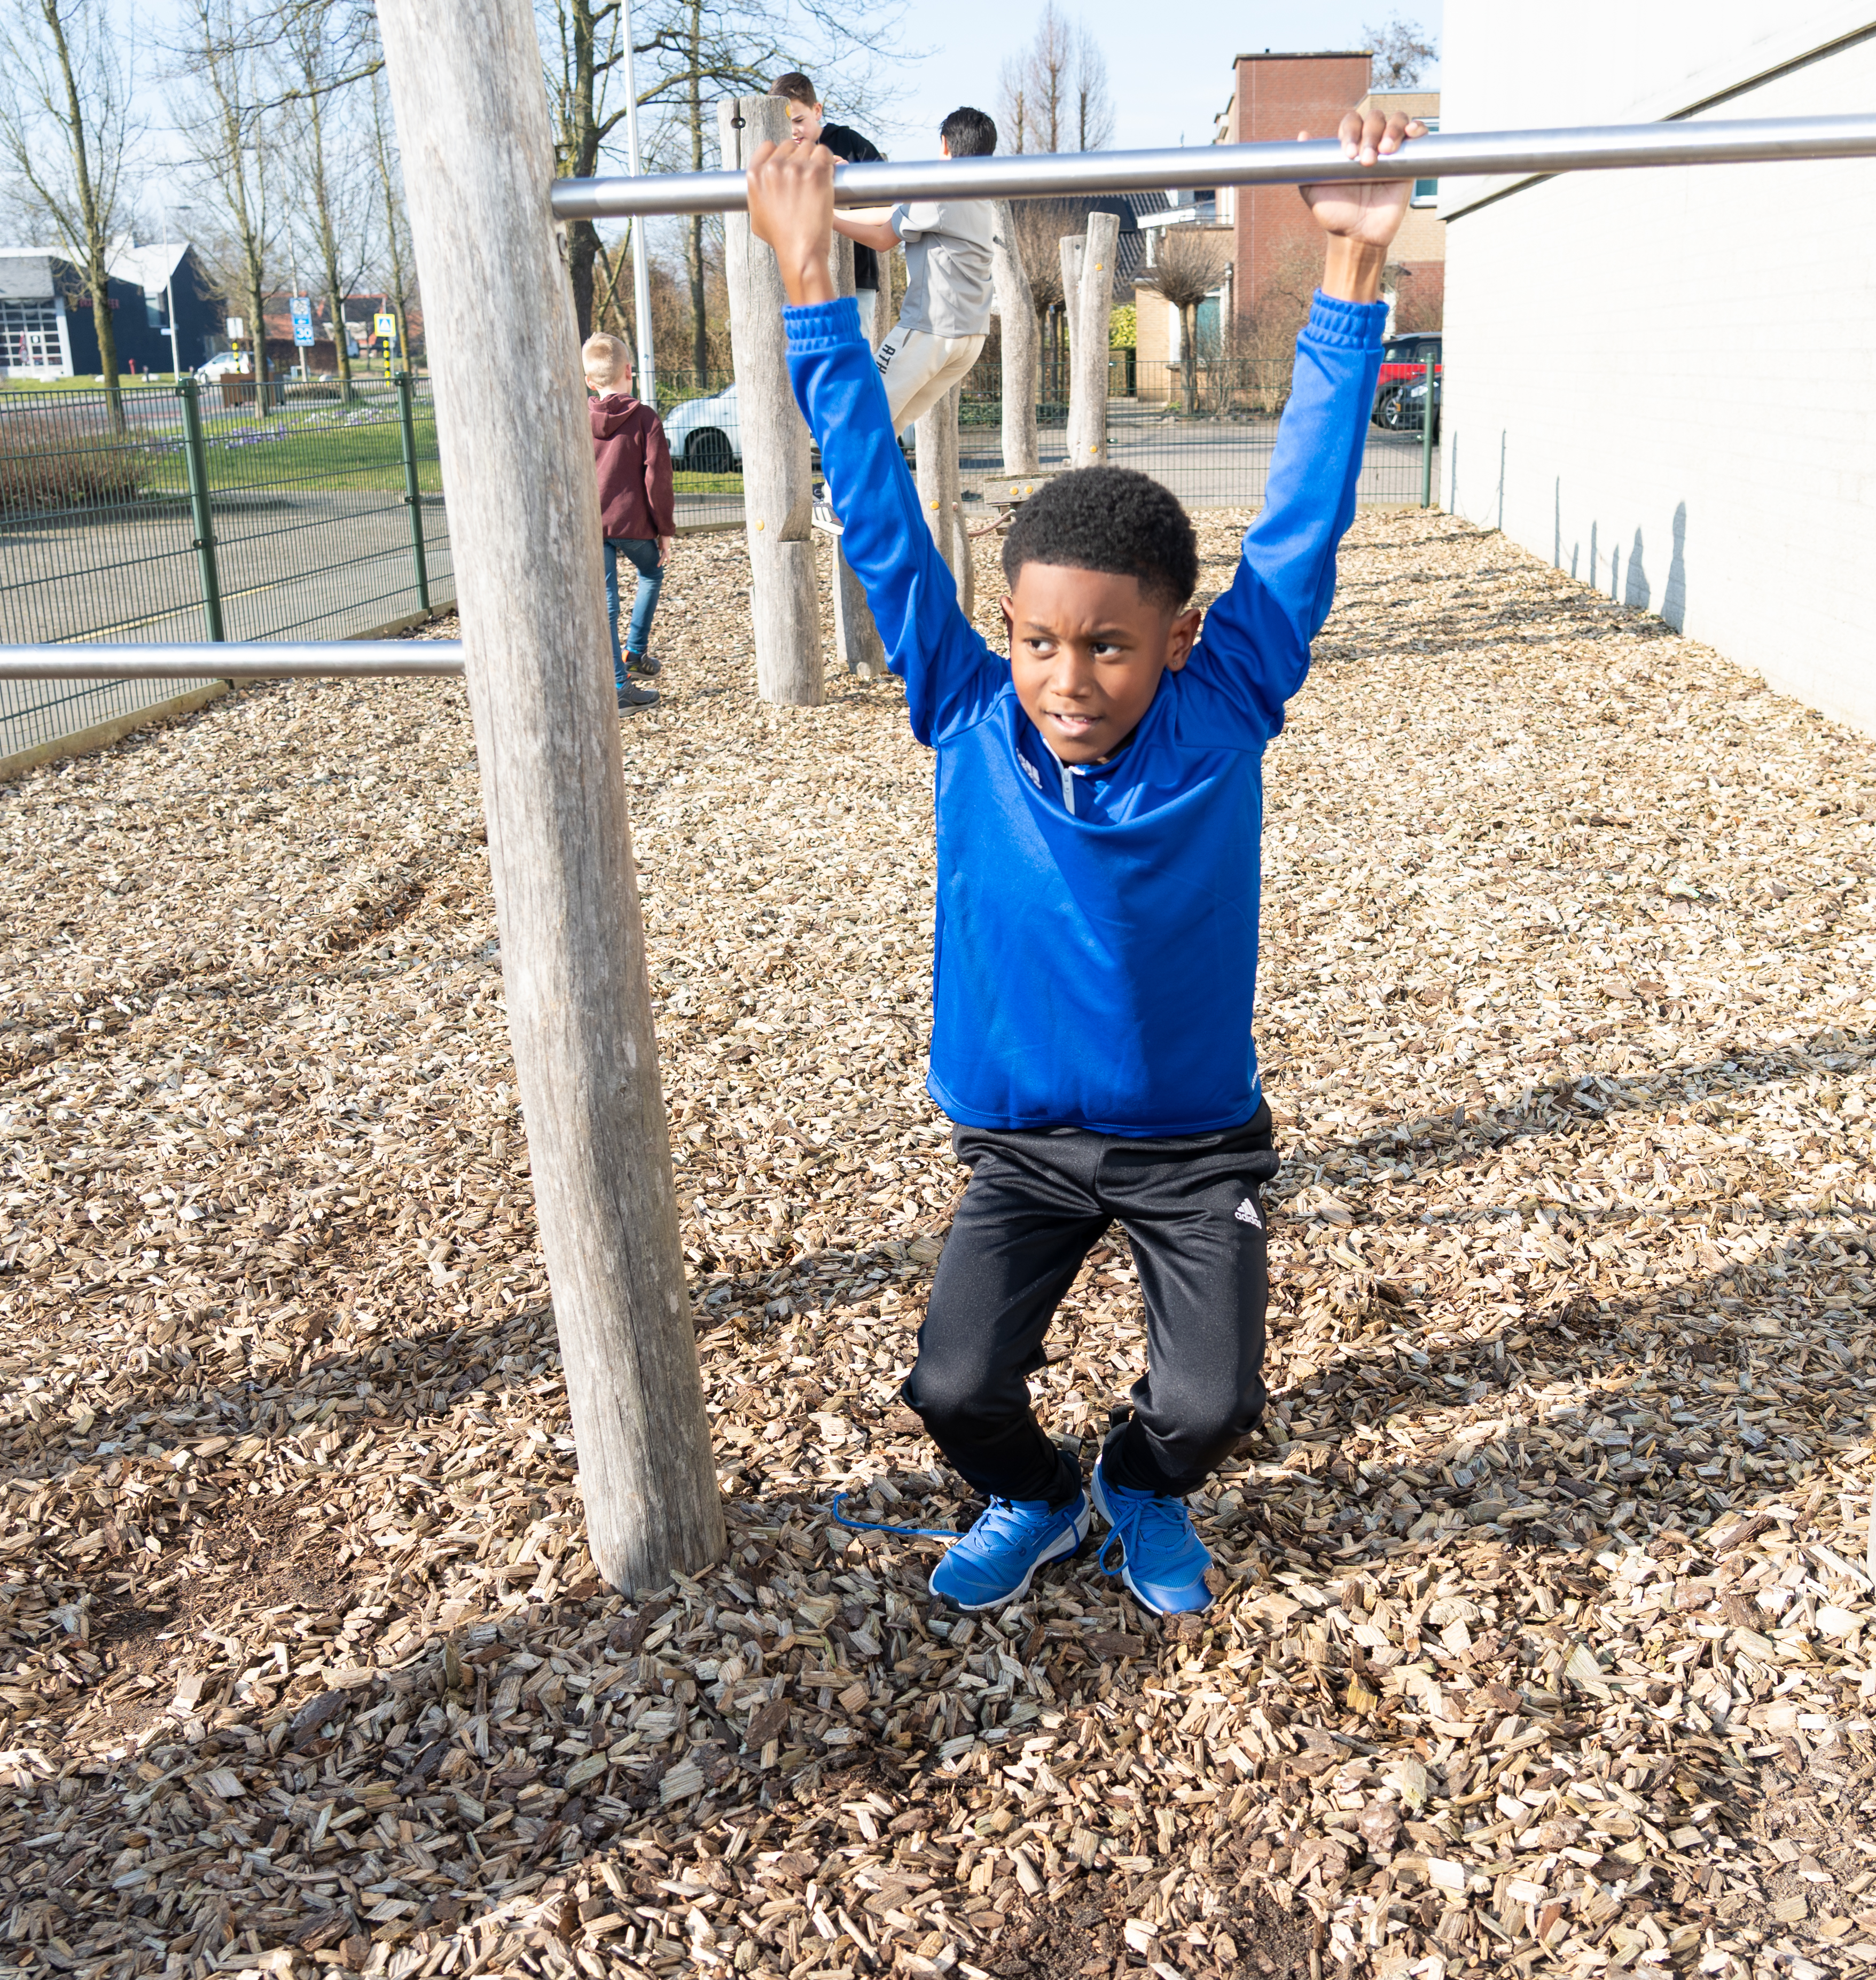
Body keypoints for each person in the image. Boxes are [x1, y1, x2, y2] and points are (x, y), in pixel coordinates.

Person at [750, 108, 1426, 1617]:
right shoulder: (966, 708)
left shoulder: (1228, 704)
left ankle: (1131, 1478)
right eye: (1041, 639)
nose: (1068, 676)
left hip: (1193, 1145)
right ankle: (1039, 1495)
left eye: (1108, 645)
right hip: (1023, 1145)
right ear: (1005, 637)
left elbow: (1306, 515)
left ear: (1178, 642)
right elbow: (871, 505)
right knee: (952, 1385)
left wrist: (1352, 263)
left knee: (1211, 1409)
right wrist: (811, 286)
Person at [834, 105, 1003, 431]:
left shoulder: (940, 188)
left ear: (944, 144)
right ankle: (871, 485)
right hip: (971, 337)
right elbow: (892, 214)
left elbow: (883, 239)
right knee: (889, 427)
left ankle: (831, 486)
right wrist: (831, 216)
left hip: (930, 330)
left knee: (862, 419)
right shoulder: (981, 194)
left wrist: (824, 218)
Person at [582, 332, 674, 709]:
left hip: (591, 524)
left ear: (590, 380)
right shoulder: (644, 418)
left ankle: (620, 685)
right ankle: (634, 653)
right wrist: (664, 529)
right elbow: (658, 479)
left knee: (606, 604)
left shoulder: (576, 418)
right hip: (631, 525)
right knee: (651, 573)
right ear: (629, 371)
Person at [773, 71, 884, 293]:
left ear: (817, 111)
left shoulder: (850, 142)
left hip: (856, 276)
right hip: (797, 276)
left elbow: (888, 197)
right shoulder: (778, 155)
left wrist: (850, 180)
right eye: (786, 123)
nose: (794, 131)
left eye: (799, 120)